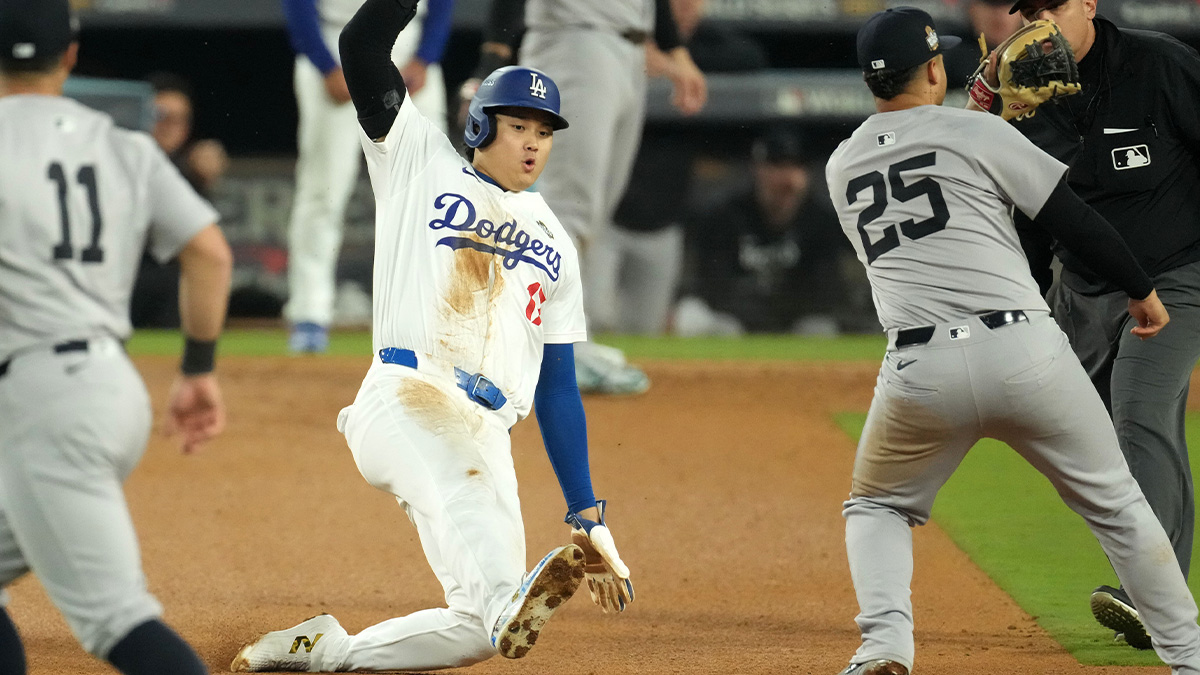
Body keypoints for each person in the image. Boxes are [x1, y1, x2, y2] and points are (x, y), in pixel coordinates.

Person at [230, 0, 633, 671]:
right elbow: (360, 46)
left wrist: (587, 515)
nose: (534, 141)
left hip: (486, 430)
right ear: (479, 123)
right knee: (502, 591)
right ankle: (510, 599)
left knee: (478, 628)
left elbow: (560, 388)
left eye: (545, 130)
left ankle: (328, 652)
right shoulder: (418, 158)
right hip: (408, 393)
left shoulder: (556, 245)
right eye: (518, 125)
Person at [825, 7, 1200, 675]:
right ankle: (1191, 657)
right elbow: (1072, 220)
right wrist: (1140, 290)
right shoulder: (978, 133)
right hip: (1025, 349)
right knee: (1119, 503)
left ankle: (883, 646)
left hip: (918, 368)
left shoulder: (840, 165)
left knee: (877, 504)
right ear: (937, 67)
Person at [0, 1, 233, 673]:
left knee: (116, 621)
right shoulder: (124, 144)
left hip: (43, 406)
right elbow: (211, 254)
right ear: (69, 56)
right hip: (109, 390)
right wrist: (197, 368)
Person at [968, 0, 1200, 649]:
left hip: (1177, 277)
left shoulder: (1159, 68)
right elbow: (1032, 211)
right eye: (1030, 9)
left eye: (1055, 6)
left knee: (1141, 408)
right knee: (1077, 436)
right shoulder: (1020, 92)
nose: (1042, 20)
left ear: (1090, 4)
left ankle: (1156, 600)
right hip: (1080, 287)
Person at [466, 0, 708, 391]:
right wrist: (495, 51)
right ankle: (551, 350)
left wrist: (675, 49)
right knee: (568, 209)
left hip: (630, 47)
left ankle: (569, 339)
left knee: (593, 213)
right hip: (575, 38)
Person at [281, 0, 454, 353]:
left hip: (409, 46)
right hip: (333, 47)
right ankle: (310, 313)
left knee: (430, 194)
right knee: (323, 193)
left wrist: (425, 57)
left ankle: (426, 315)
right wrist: (325, 65)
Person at [609, 0, 767, 335]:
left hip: (664, 222)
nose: (683, 7)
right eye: (675, 1)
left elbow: (750, 59)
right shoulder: (624, 35)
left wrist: (671, 65)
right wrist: (638, 61)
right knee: (591, 318)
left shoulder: (707, 43)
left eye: (692, 0)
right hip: (608, 220)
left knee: (645, 328)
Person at [679, 127, 864, 336]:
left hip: (793, 324)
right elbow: (712, 288)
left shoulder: (819, 221)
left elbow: (827, 291)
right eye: (777, 166)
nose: (786, 177)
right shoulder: (728, 217)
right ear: (758, 169)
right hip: (736, 323)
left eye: (795, 166)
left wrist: (779, 309)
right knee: (692, 315)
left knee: (820, 329)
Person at [133, 72, 231, 330]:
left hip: (168, 294)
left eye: (181, 119)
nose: (171, 126)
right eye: (162, 116)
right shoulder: (120, 159)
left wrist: (202, 179)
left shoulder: (190, 166)